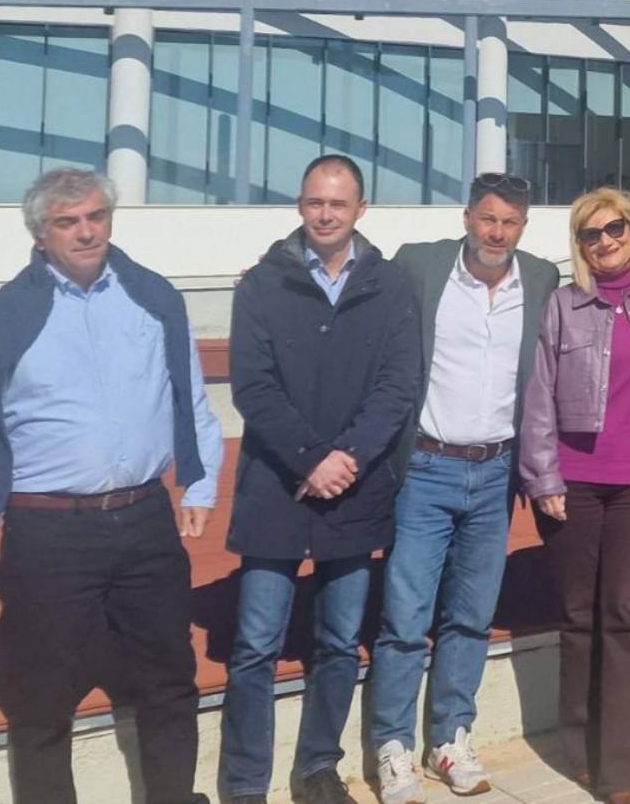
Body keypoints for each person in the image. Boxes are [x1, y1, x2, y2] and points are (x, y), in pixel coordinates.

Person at [0, 167, 224, 804]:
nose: (86, 232)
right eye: (67, 222)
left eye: (96, 216)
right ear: (40, 235)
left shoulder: (153, 296)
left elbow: (189, 393)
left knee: (169, 681)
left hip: (145, 519)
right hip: (48, 535)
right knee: (40, 698)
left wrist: (198, 483)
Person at [219, 155, 420, 804]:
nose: (325, 214)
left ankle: (317, 769)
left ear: (361, 208)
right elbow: (253, 386)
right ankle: (245, 782)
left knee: (338, 641)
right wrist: (311, 458)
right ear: (300, 204)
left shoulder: (390, 285)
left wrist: (347, 457)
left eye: (338, 203)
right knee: (255, 644)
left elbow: (398, 385)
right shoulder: (263, 284)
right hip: (276, 486)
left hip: (354, 491)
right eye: (314, 202)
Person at [368, 172, 560, 801]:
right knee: (405, 617)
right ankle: (393, 746)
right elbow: (353, 271)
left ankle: (451, 737)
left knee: (472, 617)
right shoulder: (420, 266)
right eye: (487, 218)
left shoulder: (540, 279)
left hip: (496, 472)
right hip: (426, 469)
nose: (496, 233)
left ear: (523, 227)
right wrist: (276, 269)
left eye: (509, 222)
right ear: (467, 218)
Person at [520, 188, 630, 804]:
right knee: (578, 613)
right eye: (591, 234)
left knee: (625, 607)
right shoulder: (562, 306)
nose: (605, 241)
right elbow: (539, 397)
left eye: (614, 228)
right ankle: (580, 746)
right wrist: (543, 477)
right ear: (580, 245)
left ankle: (624, 768)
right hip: (573, 484)